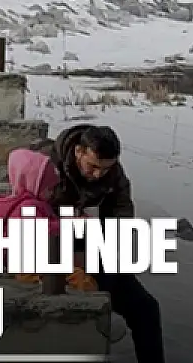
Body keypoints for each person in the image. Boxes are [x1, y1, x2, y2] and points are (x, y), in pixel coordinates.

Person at [49, 124, 164, 363]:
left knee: (146, 308)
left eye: (105, 169)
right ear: (79, 151)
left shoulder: (112, 172)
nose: (98, 174)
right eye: (92, 167)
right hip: (50, 255)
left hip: (93, 247)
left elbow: (121, 210)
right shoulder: (46, 163)